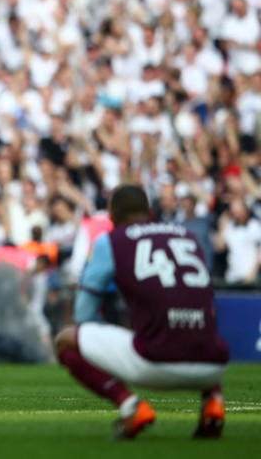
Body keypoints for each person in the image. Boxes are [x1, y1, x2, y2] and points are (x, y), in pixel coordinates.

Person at [53, 184, 229, 440]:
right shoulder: (187, 236)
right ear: (149, 211)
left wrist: (102, 339)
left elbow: (83, 313)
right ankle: (214, 400)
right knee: (195, 329)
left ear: (111, 215)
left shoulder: (111, 241)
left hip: (156, 361)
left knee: (66, 339)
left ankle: (130, 405)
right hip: (214, 364)